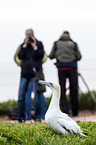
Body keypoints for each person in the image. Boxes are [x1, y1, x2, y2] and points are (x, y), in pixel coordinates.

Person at [14, 28, 46, 122]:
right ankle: (21, 118)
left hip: (35, 74)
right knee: (21, 96)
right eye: (27, 36)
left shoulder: (39, 44)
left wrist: (34, 46)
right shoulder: (23, 45)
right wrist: (24, 45)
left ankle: (37, 117)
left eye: (30, 36)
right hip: (24, 74)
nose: (29, 37)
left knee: (37, 96)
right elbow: (19, 56)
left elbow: (41, 56)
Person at [49, 31, 82, 116]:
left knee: (62, 90)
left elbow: (51, 56)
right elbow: (79, 57)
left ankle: (65, 112)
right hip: (72, 68)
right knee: (74, 90)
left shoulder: (56, 44)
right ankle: (75, 113)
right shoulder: (74, 44)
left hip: (61, 68)